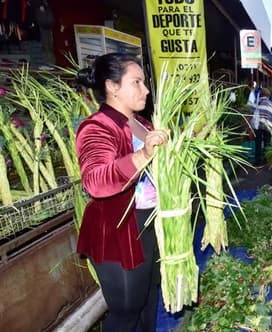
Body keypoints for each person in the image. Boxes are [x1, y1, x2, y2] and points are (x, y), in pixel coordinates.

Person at [75, 53, 169, 332]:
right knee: (126, 311)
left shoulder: (142, 124)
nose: (146, 90)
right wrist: (143, 155)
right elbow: (95, 180)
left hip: (148, 225)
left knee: (149, 301)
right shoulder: (96, 127)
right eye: (136, 82)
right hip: (118, 232)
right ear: (112, 86)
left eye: (144, 82)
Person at [251, 87, 272, 166]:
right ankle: (266, 160)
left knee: (258, 143)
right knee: (267, 143)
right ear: (268, 96)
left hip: (258, 125)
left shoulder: (257, 102)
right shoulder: (271, 104)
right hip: (267, 125)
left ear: (261, 95)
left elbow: (252, 112)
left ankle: (257, 161)